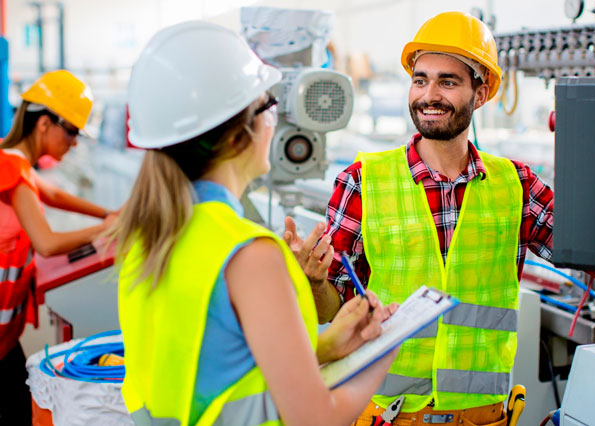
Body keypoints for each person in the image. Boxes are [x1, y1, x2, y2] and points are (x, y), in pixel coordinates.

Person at [115, 21, 398, 426]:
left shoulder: (149, 235)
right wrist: (383, 354)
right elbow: (317, 418)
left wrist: (325, 346)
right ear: (236, 137)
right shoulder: (251, 255)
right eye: (269, 105)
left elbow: (212, 369)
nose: (276, 120)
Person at [284, 11, 555, 426]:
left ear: (480, 94)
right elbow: (331, 312)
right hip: (387, 416)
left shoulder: (517, 185)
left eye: (448, 82)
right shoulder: (361, 182)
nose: (429, 95)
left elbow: (592, 248)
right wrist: (316, 281)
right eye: (420, 79)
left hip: (481, 418)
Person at [0, 70, 117, 425]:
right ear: (45, 123)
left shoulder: (14, 163)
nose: (75, 143)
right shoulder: (11, 168)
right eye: (71, 132)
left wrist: (109, 213)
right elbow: (47, 243)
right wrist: (108, 229)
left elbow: (51, 194)